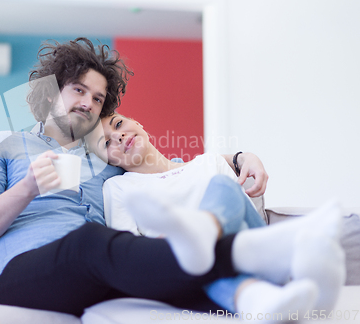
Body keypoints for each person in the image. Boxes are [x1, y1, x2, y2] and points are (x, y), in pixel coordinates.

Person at [0, 37, 341, 318]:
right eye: (79, 90)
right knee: (90, 242)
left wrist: (241, 157)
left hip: (96, 277)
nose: (88, 103)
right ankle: (278, 245)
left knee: (179, 284)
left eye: (97, 98)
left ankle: (275, 291)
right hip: (22, 278)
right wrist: (28, 189)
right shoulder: (2, 143)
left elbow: (171, 170)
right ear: (49, 94)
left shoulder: (103, 160)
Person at [86, 112, 346, 314]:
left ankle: (203, 234)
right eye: (106, 143)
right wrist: (168, 244)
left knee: (221, 188)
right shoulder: (119, 188)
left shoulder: (209, 163)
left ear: (138, 123)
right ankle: (274, 282)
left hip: (246, 250)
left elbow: (246, 218)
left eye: (118, 124)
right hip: (185, 270)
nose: (117, 137)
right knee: (196, 260)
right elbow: (127, 255)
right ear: (109, 161)